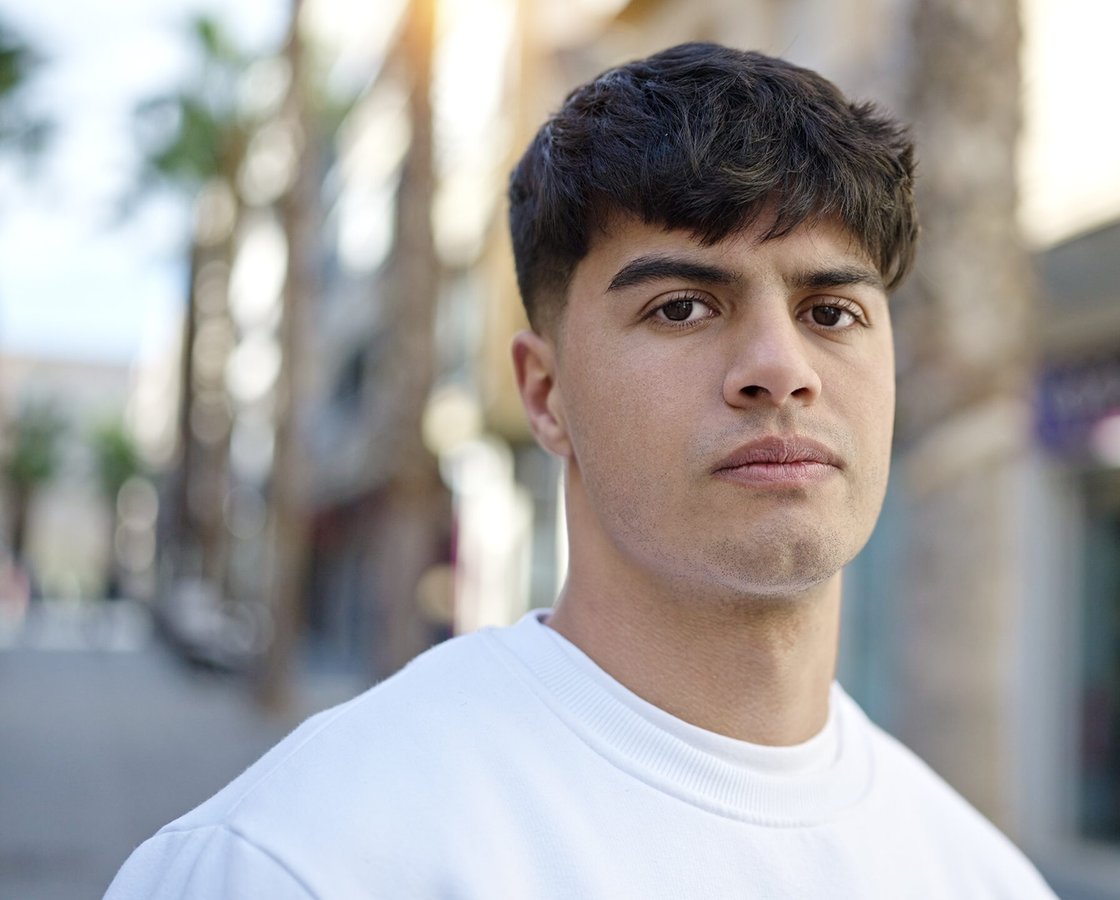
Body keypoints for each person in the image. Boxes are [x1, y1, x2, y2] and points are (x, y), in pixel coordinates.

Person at [106, 43, 1057, 898]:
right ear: (545, 391)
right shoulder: (298, 860)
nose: (782, 368)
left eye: (832, 312)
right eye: (682, 307)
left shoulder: (977, 874)